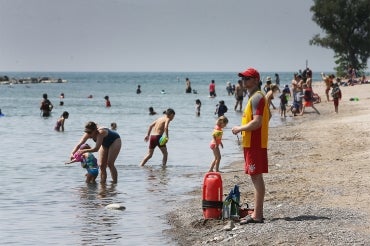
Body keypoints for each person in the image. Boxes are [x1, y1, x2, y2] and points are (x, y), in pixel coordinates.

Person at [231, 67, 270, 224]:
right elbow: (266, 117)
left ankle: (257, 215)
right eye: (243, 78)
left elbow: (257, 122)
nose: (244, 81)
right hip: (252, 143)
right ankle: (257, 213)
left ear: (255, 80)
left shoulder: (256, 97)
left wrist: (239, 128)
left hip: (255, 143)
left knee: (256, 177)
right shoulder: (254, 96)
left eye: (247, 78)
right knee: (256, 177)